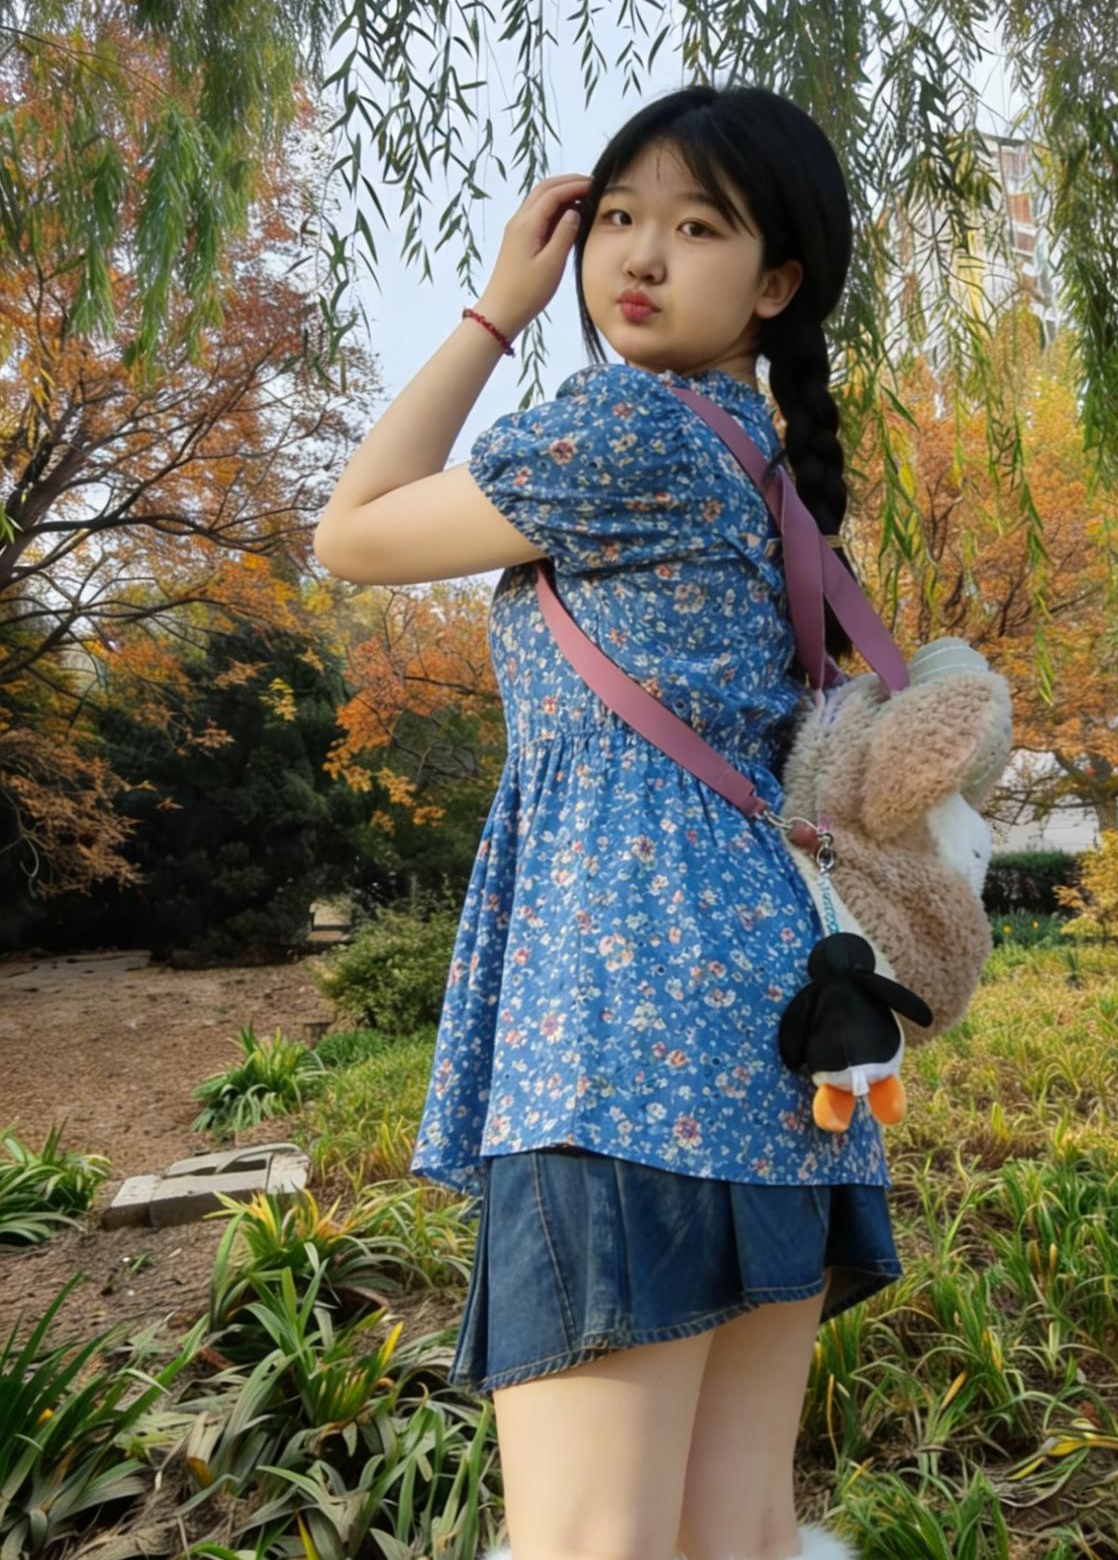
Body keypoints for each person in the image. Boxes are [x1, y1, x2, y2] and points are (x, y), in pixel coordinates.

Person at [316, 83, 902, 1560]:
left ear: (774, 285)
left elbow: (352, 530)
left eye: (697, 228)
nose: (638, 255)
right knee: (733, 1535)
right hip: (783, 1050)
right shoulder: (764, 468)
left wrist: (496, 311)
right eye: (620, 217)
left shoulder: (628, 427)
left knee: (593, 1540)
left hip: (620, 1039)